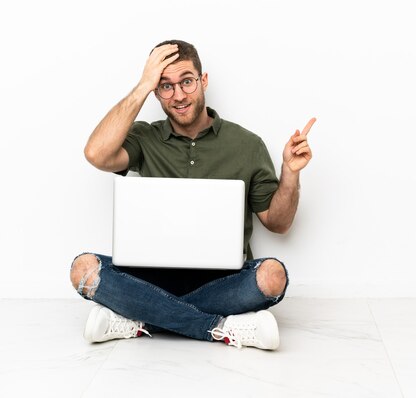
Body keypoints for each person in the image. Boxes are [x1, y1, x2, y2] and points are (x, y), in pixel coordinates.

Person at [70, 39, 315, 350]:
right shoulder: (145, 137)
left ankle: (139, 317)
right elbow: (96, 153)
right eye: (165, 86)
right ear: (156, 93)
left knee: (272, 276)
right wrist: (143, 84)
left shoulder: (247, 144)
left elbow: (278, 223)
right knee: (83, 269)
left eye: (186, 81)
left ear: (204, 81)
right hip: (151, 279)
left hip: (222, 283)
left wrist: (290, 174)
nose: (179, 95)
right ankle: (220, 327)